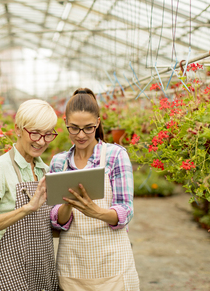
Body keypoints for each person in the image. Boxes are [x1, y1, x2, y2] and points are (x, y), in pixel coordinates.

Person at [49, 88, 139, 291]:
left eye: (88, 128)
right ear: (65, 123)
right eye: (74, 128)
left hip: (112, 262)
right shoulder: (59, 162)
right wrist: (67, 206)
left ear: (98, 122)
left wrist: (95, 212)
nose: (81, 135)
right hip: (72, 265)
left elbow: (126, 210)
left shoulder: (115, 155)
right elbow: (56, 220)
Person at [0, 99, 60, 291]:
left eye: (48, 134)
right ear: (18, 130)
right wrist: (27, 208)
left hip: (40, 274)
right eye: (35, 133)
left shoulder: (46, 171)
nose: (41, 141)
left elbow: (47, 229)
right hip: (7, 274)